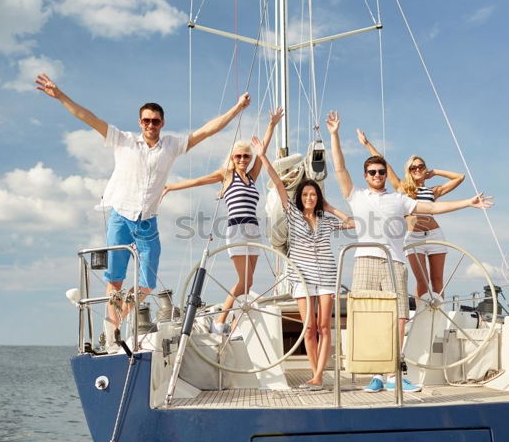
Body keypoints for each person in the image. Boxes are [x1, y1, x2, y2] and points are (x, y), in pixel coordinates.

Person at [35, 73, 250, 350]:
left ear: (162, 123)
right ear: (140, 122)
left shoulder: (171, 145)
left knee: (147, 283)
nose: (151, 125)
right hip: (121, 217)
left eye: (156, 121)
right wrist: (60, 95)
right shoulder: (123, 140)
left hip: (147, 222)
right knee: (115, 281)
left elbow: (207, 131)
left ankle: (115, 324)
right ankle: (112, 337)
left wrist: (236, 109)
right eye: (146, 120)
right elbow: (88, 118)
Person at [327, 111, 491, 393]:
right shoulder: (355, 196)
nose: (378, 175)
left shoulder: (400, 199)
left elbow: (434, 208)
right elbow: (340, 168)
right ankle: (375, 374)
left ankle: (393, 373)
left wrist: (468, 202)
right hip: (365, 260)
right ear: (365, 176)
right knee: (367, 317)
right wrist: (334, 136)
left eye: (381, 172)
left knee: (400, 317)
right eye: (372, 172)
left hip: (394, 262)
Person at [161, 108, 284, 334]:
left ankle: (233, 322)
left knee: (248, 284)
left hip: (253, 231)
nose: (243, 160)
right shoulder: (227, 175)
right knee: (242, 280)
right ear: (232, 158)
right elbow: (198, 180)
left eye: (246, 156)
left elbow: (262, 150)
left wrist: (272, 125)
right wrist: (170, 186)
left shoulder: (251, 176)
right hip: (236, 229)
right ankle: (220, 321)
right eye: (238, 156)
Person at [254, 136, 354, 391]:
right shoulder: (293, 215)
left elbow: (352, 223)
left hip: (326, 277)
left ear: (318, 198)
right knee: (308, 328)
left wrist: (330, 207)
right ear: (301, 197)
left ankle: (319, 377)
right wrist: (263, 155)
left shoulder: (326, 219)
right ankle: (315, 375)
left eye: (314, 194)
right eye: (306, 194)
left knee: (323, 326)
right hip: (300, 278)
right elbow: (277, 183)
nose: (310, 197)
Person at [356, 130, 465, 299]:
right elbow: (384, 164)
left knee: (437, 280)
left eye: (421, 166)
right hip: (413, 237)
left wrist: (435, 172)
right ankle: (422, 314)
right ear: (409, 170)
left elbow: (460, 177)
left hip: (435, 235)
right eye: (413, 167)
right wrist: (367, 144)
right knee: (423, 281)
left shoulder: (433, 191)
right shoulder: (401, 187)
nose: (417, 169)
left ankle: (437, 320)